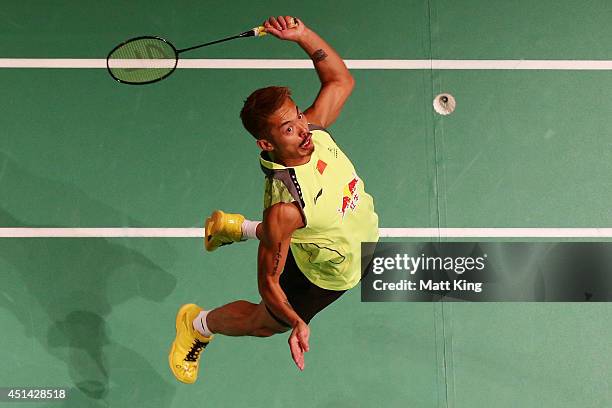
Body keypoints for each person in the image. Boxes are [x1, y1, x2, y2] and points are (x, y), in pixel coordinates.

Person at [169, 15, 379, 384]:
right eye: (288, 129)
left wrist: (302, 35)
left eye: (298, 117)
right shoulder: (286, 209)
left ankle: (236, 227)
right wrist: (296, 321)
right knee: (265, 323)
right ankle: (197, 324)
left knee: (304, 227)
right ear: (267, 144)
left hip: (349, 240)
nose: (303, 131)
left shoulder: (312, 132)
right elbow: (269, 282)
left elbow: (340, 80)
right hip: (325, 274)